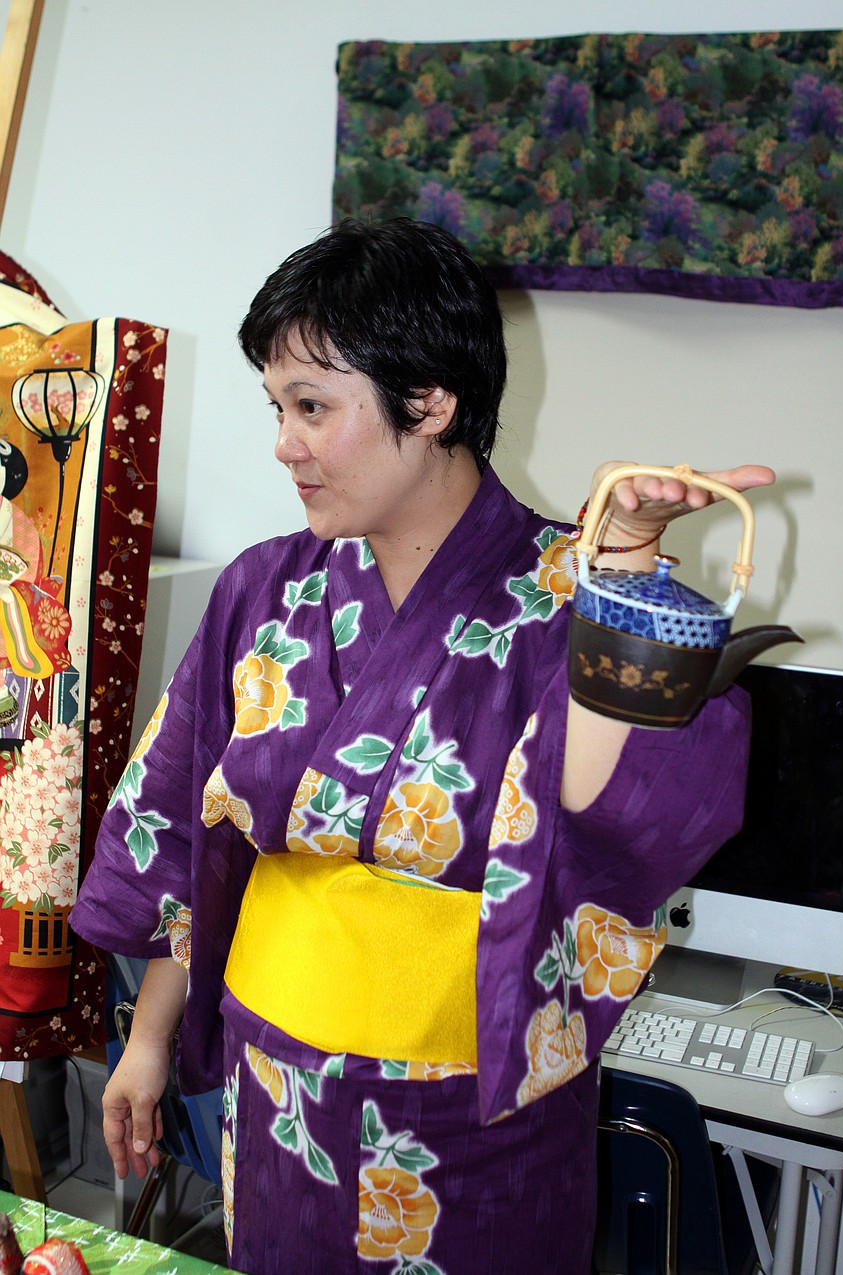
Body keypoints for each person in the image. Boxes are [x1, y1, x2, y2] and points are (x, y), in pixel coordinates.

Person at [71, 219, 771, 1275]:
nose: (282, 443)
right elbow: (186, 837)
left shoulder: (563, 592)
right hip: (274, 1098)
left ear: (432, 401)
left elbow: (615, 820)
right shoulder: (260, 590)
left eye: (312, 407)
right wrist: (150, 1040)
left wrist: (619, 584)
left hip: (476, 1117)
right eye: (277, 407)